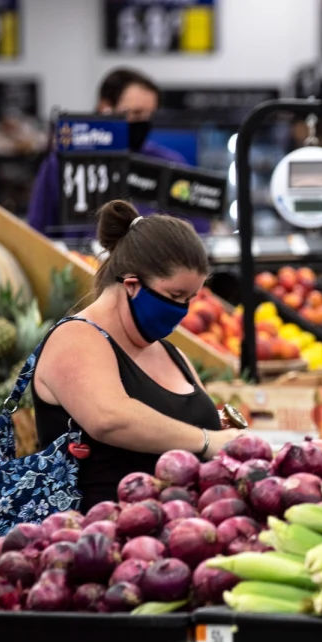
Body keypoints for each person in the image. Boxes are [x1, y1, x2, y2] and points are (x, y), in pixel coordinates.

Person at [32, 199, 240, 508]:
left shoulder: (172, 354)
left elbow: (209, 427)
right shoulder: (76, 337)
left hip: (184, 537)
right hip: (98, 541)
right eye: (175, 296)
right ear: (131, 285)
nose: (182, 310)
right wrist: (206, 441)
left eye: (190, 298)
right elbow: (110, 418)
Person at [27, 67, 189, 234]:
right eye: (136, 113)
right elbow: (38, 234)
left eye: (150, 115)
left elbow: (194, 236)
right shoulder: (60, 164)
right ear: (106, 108)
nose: (143, 122)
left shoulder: (170, 164)